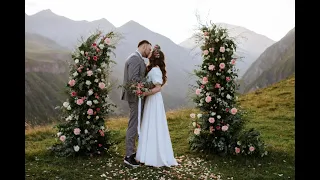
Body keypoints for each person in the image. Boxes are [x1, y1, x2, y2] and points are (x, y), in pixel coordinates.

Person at [135, 44, 178, 167]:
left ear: (152, 58)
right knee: (151, 125)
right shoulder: (155, 69)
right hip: (152, 100)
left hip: (153, 99)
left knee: (153, 125)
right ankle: (148, 154)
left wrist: (144, 93)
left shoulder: (155, 70)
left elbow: (158, 88)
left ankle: (152, 156)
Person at [121, 40, 152, 167]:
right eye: (149, 49)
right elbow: (134, 80)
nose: (150, 52)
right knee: (134, 124)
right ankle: (128, 156)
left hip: (137, 96)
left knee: (136, 123)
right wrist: (151, 83)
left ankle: (133, 152)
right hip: (135, 97)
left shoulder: (137, 58)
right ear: (144, 47)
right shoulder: (134, 59)